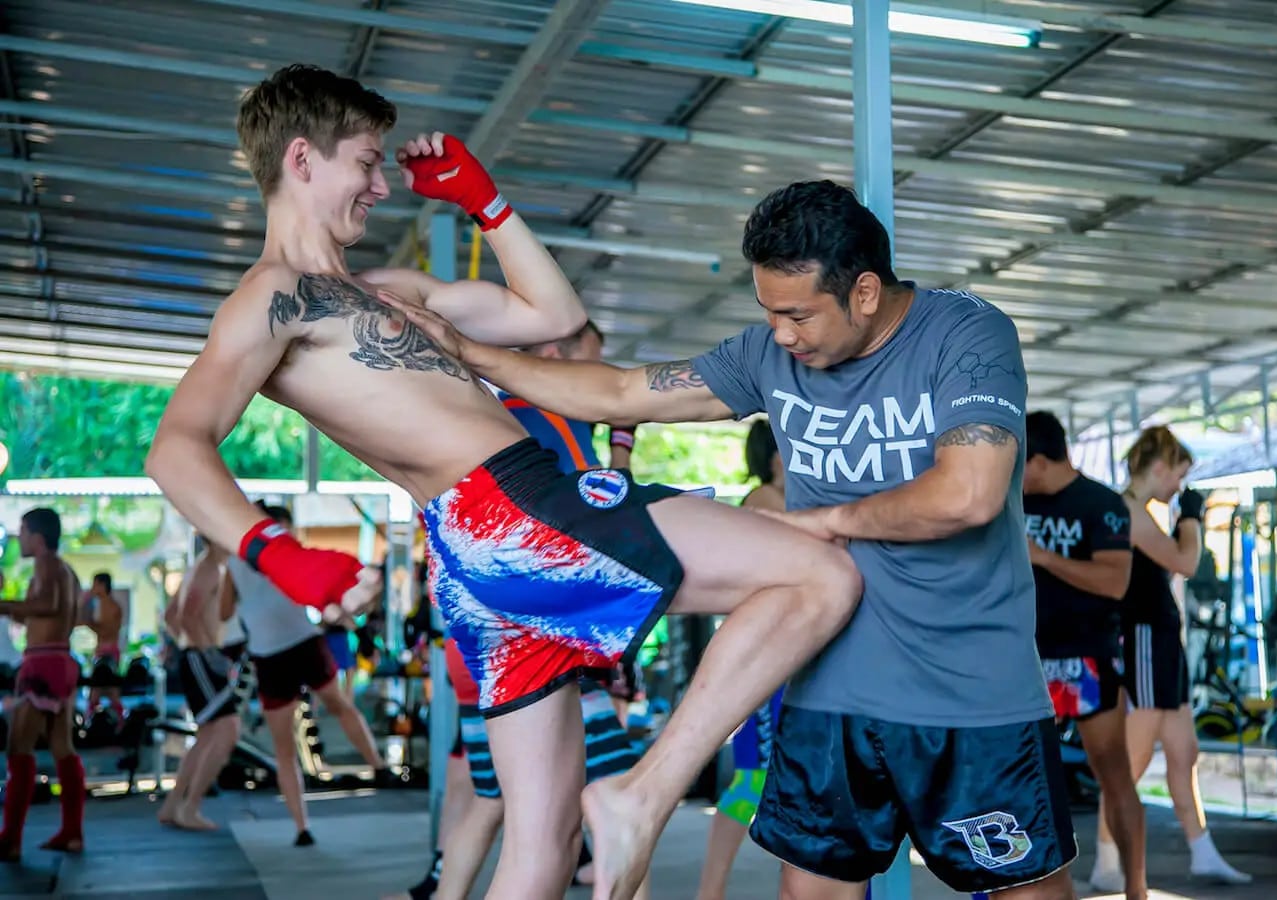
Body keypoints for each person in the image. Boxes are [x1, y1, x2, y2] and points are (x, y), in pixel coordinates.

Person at [144, 64, 859, 900]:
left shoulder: (390, 292)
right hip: (515, 512)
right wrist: (275, 551)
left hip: (482, 565)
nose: (382, 186)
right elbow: (177, 445)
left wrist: (487, 202)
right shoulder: (272, 298)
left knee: (543, 845)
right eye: (367, 164)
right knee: (821, 572)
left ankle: (622, 804)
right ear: (302, 159)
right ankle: (642, 794)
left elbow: (552, 318)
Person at [390, 178, 1078, 900]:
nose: (782, 334)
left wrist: (817, 523)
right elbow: (621, 393)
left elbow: (967, 494)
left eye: (799, 315)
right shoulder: (768, 357)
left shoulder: (965, 334)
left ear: (866, 292)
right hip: (830, 692)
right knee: (809, 893)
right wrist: (473, 354)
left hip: (970, 695)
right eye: (769, 312)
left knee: (1027, 893)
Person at [390, 322, 654, 900]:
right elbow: (589, 515)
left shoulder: (509, 416)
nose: (602, 379)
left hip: (488, 634)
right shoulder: (541, 420)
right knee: (621, 799)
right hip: (534, 637)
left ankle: (446, 893)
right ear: (557, 356)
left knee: (494, 802)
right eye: (594, 363)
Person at [1091, 425, 1251, 890]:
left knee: (1185, 752)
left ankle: (1203, 852)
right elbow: (1185, 562)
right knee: (1132, 760)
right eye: (1178, 476)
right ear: (1159, 468)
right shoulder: (1130, 511)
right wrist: (1192, 518)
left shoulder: (1147, 512)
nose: (1179, 487)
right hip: (1142, 640)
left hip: (1164, 639)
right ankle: (1106, 860)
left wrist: (1184, 517)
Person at [1021, 411, 1147, 900]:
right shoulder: (1012, 499)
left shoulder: (1102, 504)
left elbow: (1115, 581)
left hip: (1086, 656)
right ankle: (1041, 885)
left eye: (1020, 465)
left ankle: (1136, 888)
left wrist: (1046, 557)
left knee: (1112, 771)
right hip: (1027, 655)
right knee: (1024, 772)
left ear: (1040, 459)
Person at [229, 503, 394, 846]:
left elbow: (323, 598)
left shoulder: (272, 557)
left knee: (336, 707)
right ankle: (302, 826)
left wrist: (357, 629)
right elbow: (225, 609)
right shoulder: (241, 558)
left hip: (299, 642)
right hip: (273, 652)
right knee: (286, 743)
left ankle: (378, 767)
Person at [695, 418, 786, 900]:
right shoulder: (765, 503)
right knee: (753, 781)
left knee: (778, 782)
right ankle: (710, 892)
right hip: (768, 666)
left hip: (782, 661)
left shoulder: (774, 501)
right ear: (777, 457)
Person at [0, 508, 86, 859]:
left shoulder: (46, 564)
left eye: (21, 531)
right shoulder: (66, 570)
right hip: (60, 659)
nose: (18, 538)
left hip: (42, 663)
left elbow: (46, 605)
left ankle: (10, 839)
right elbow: (69, 612)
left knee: (18, 749)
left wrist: (4, 604)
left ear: (37, 536)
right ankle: (72, 832)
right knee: (62, 748)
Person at [159, 537, 241, 831]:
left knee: (208, 734)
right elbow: (186, 616)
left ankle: (173, 806)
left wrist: (190, 646)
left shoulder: (203, 568)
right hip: (200, 658)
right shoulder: (208, 569)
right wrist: (206, 651)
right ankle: (190, 806)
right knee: (228, 729)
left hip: (195, 657)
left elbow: (171, 616)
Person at [82, 572, 125, 722]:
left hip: (108, 654)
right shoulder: (99, 605)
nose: (92, 588)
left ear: (102, 585)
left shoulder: (111, 607)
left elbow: (107, 631)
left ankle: (118, 721)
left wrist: (90, 624)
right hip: (101, 653)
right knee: (100, 693)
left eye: (95, 584)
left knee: (104, 692)